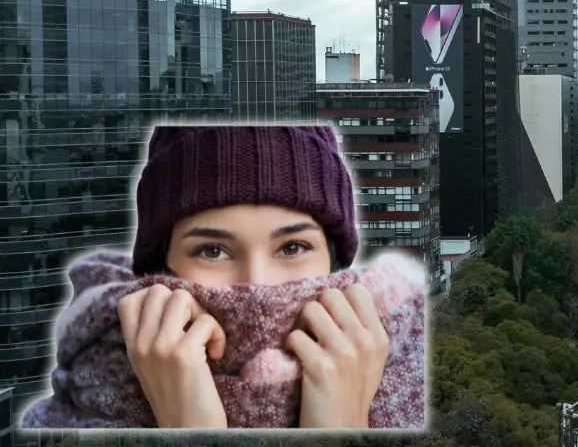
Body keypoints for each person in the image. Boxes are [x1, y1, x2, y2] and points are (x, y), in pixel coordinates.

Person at [21, 125, 426, 430]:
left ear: (334, 262)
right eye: (212, 250)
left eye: (292, 247)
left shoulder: (416, 385)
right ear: (160, 271)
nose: (257, 283)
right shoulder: (63, 422)